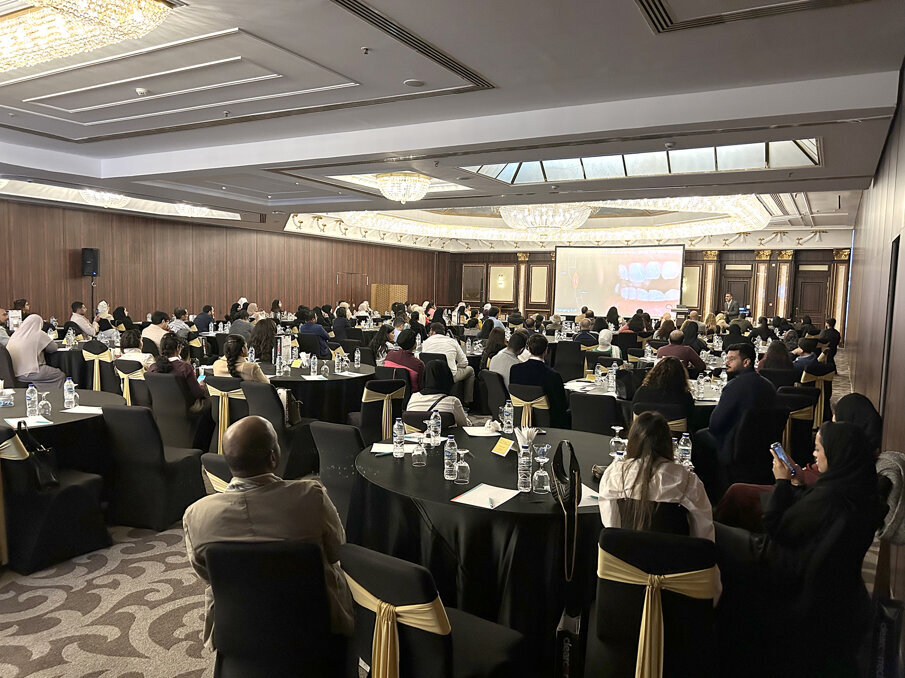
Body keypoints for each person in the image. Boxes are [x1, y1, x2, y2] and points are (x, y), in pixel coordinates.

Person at [715, 422, 881, 676]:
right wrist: (797, 483)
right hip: (815, 573)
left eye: (818, 449)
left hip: (777, 562)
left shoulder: (831, 497)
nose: (814, 455)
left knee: (709, 532)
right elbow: (808, 520)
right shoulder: (857, 491)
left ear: (836, 452)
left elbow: (777, 527)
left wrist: (781, 483)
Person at [183, 416, 353, 650]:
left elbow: (207, 574)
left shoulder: (197, 515)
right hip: (315, 621)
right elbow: (336, 551)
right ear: (273, 457)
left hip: (239, 629)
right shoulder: (311, 496)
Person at [598, 411, 714, 543]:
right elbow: (703, 531)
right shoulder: (686, 480)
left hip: (625, 559)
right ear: (668, 442)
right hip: (674, 559)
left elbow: (611, 528)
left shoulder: (615, 474)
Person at [694, 343, 776, 471]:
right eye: (726, 358)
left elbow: (715, 424)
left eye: (732, 359)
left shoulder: (735, 386)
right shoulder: (769, 385)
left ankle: (708, 483)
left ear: (746, 362)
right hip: (764, 445)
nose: (726, 362)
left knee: (699, 436)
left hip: (737, 445)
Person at [509, 333, 569, 428]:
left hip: (519, 417)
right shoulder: (553, 375)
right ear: (546, 351)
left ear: (528, 349)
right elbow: (561, 405)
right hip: (549, 422)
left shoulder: (515, 370)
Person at [147, 333, 208, 408]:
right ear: (178, 348)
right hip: (187, 411)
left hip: (159, 411)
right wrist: (202, 386)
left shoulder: (153, 368)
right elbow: (198, 393)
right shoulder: (185, 368)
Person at [6, 314, 65, 388]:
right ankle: (56, 396)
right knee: (59, 375)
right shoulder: (38, 334)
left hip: (14, 373)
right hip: (30, 372)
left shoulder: (15, 334)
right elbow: (53, 348)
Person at [422, 322, 475, 404]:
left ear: (432, 332)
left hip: (431, 377)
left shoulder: (425, 342)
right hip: (450, 376)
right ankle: (468, 401)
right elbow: (464, 362)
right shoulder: (452, 341)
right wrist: (455, 367)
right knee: (470, 370)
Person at [406, 360, 471, 426]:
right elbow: (464, 426)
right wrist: (466, 418)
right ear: (448, 378)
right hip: (445, 435)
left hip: (414, 435)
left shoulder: (413, 397)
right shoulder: (453, 402)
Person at [632, 357, 695, 423]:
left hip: (643, 432)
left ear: (654, 373)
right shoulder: (685, 396)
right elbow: (691, 420)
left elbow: (632, 413)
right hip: (675, 432)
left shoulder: (641, 392)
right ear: (681, 376)